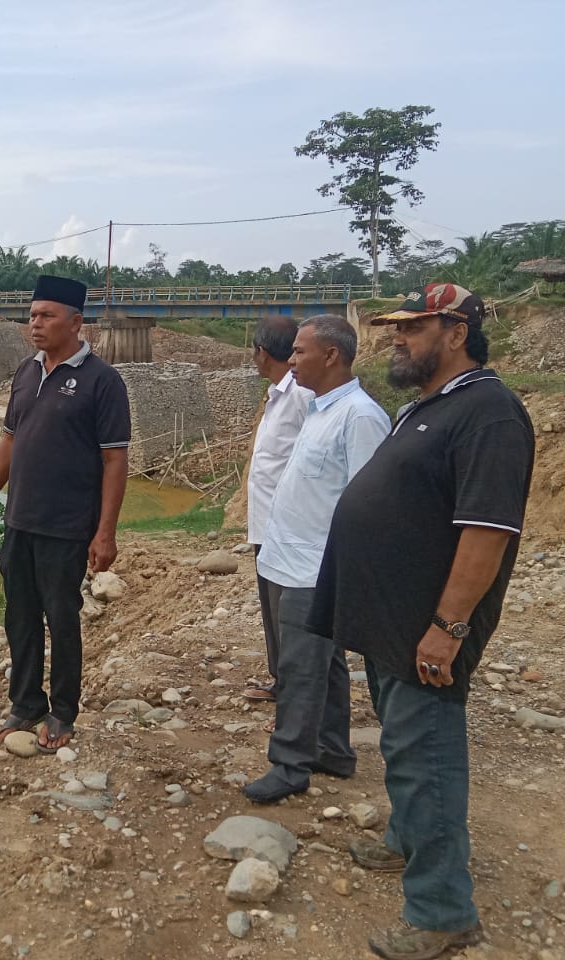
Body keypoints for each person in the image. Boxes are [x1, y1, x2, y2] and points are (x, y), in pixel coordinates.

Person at [309, 284, 534, 960]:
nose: (396, 339)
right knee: (404, 749)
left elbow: (487, 532)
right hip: (390, 621)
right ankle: (407, 840)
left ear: (457, 331)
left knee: (426, 755)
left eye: (413, 328)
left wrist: (450, 625)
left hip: (427, 630)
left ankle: (442, 910)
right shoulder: (426, 408)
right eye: (395, 328)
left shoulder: (490, 414)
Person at [0, 275, 131, 753]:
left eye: (46, 316)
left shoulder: (103, 381)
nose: (34, 324)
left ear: (76, 322)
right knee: (19, 617)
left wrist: (105, 533)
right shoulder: (26, 371)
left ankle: (63, 712)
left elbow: (115, 460)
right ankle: (25, 702)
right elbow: (10, 441)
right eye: (32, 315)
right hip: (19, 521)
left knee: (62, 620)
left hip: (66, 528)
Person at [243, 314, 390, 804]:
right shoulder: (321, 409)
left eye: (301, 352)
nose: (293, 360)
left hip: (317, 565)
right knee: (323, 664)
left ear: (331, 356)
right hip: (290, 556)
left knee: (299, 666)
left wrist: (353, 573)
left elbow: (370, 504)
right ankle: (333, 749)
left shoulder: (361, 417)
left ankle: (289, 765)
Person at [244, 316, 313, 703]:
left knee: (287, 610)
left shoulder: (301, 395)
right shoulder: (277, 393)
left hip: (287, 524)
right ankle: (281, 680)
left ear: (262, 352)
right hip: (266, 522)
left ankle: (296, 690)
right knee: (271, 608)